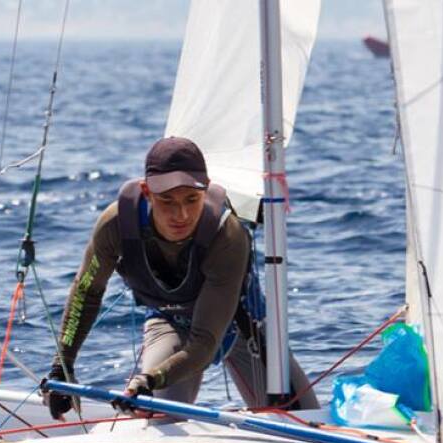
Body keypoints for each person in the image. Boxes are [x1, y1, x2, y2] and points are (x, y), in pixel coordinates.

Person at [44, 136, 319, 418]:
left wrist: (149, 379)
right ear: (146, 191)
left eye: (192, 199)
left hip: (241, 326)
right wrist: (61, 366)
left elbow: (203, 343)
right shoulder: (115, 225)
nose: (182, 214)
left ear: (206, 189)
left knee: (307, 422)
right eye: (167, 201)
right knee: (159, 414)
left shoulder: (228, 236)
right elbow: (87, 293)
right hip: (170, 322)